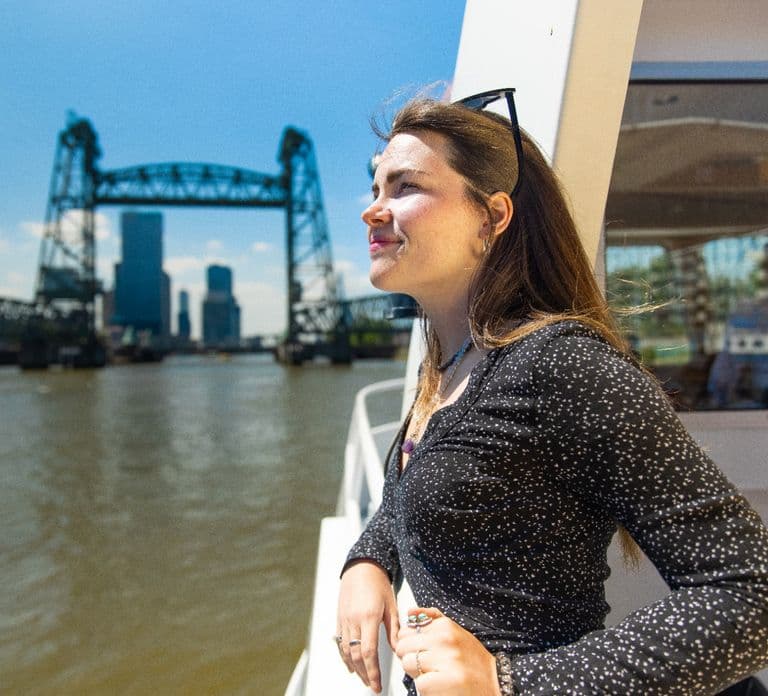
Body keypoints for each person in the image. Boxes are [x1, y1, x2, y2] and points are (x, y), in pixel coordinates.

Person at [335, 91, 768, 695]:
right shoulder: (452, 360)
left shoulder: (560, 364)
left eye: (404, 187)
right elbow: (422, 486)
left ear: (493, 217)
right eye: (376, 187)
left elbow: (749, 588)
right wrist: (367, 560)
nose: (372, 210)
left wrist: (511, 682)